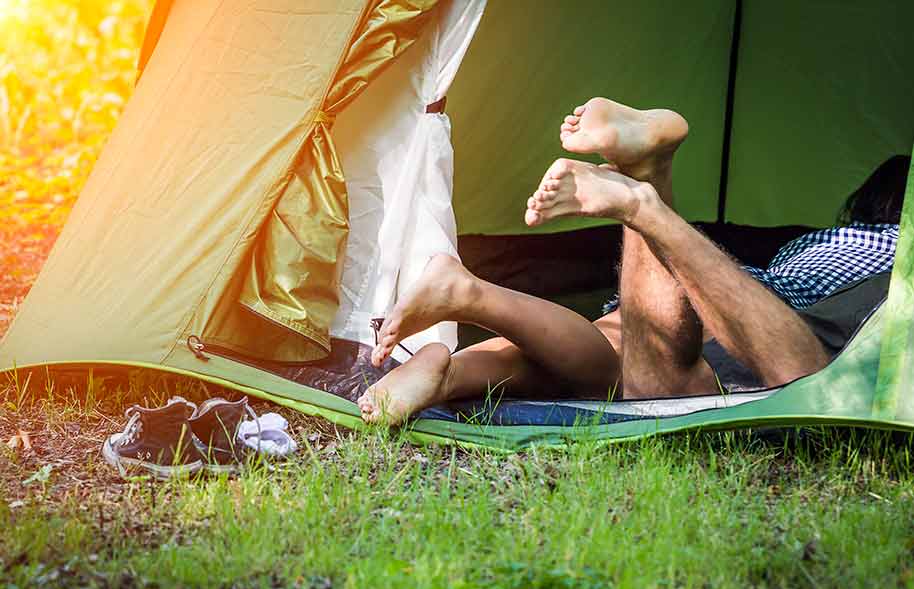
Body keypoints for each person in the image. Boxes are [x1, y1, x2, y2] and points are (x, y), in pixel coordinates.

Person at [356, 97, 910, 425]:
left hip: (741, 282)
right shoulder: (892, 250)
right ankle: (647, 196)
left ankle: (456, 346)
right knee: (800, 384)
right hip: (766, 313)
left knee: (606, 351)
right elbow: (808, 367)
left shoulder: (820, 241)